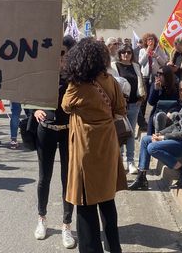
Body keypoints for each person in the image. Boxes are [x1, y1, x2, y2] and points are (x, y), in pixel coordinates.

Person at [62, 38, 127, 253]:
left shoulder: (77, 85)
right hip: (107, 143)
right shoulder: (112, 81)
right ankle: (113, 246)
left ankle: (91, 249)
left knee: (86, 202)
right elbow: (120, 109)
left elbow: (65, 106)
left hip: (85, 145)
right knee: (107, 200)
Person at [33, 35, 76, 249]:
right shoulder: (42, 74)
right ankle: (42, 218)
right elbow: (27, 94)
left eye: (64, 54)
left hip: (68, 132)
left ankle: (66, 225)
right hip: (46, 131)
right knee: (44, 177)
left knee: (68, 179)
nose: (60, 58)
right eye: (57, 54)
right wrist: (34, 109)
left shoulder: (75, 77)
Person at [129, 79, 182, 190]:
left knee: (152, 147)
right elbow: (176, 125)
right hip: (177, 141)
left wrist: (163, 137)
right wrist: (159, 133)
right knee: (146, 140)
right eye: (181, 89)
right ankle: (141, 177)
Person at [111, 44, 146, 175]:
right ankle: (118, 160)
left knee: (130, 132)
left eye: (129, 52)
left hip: (133, 104)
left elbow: (140, 83)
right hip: (119, 106)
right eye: (123, 52)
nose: (126, 55)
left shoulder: (136, 66)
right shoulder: (114, 66)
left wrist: (141, 98)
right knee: (119, 132)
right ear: (119, 54)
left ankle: (130, 161)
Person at [137, 33, 168, 129]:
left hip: (156, 76)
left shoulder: (160, 50)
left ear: (155, 41)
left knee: (155, 96)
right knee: (144, 99)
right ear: (146, 42)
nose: (150, 41)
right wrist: (147, 52)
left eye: (152, 39)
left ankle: (157, 119)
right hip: (145, 76)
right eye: (148, 40)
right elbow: (141, 63)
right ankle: (142, 123)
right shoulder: (142, 50)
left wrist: (156, 56)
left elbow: (164, 63)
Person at [147, 65, 180, 135]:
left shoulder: (175, 86)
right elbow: (151, 102)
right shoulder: (155, 85)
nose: (158, 76)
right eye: (157, 74)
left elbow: (177, 103)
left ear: (167, 76)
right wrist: (156, 90)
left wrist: (171, 112)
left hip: (171, 115)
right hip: (157, 114)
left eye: (161, 74)